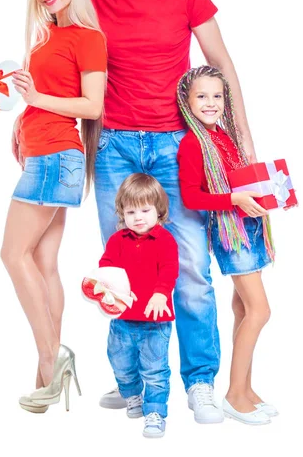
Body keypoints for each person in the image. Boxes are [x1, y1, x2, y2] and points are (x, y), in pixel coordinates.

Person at [70, 0, 256, 423]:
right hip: (115, 146)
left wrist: (243, 139)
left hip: (177, 145)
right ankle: (134, 379)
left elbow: (220, 63)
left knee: (191, 268)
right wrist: (24, 111)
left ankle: (199, 381)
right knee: (121, 267)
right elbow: (63, 60)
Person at [2, 0, 107, 414]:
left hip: (54, 158)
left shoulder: (86, 36)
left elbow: (92, 107)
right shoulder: (47, 36)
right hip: (42, 154)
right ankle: (46, 378)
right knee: (43, 264)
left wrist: (38, 99)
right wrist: (20, 121)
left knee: (12, 253)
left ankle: (52, 357)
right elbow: (41, 98)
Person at [176, 65, 277, 425]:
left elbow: (239, 181)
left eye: (217, 96)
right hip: (232, 234)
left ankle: (245, 388)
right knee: (260, 311)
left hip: (250, 228)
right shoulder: (192, 143)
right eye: (201, 96)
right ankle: (234, 396)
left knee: (243, 310)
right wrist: (234, 200)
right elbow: (191, 197)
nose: (210, 102)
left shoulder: (225, 135)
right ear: (187, 101)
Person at [98, 173, 179, 438]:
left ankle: (155, 413)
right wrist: (105, 287)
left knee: (155, 370)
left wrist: (160, 294)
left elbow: (170, 270)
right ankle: (132, 395)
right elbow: (106, 267)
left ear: (159, 210)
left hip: (156, 322)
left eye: (145, 210)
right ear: (122, 213)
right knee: (119, 361)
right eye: (131, 211)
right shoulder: (117, 240)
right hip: (122, 319)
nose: (138, 217)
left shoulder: (165, 240)